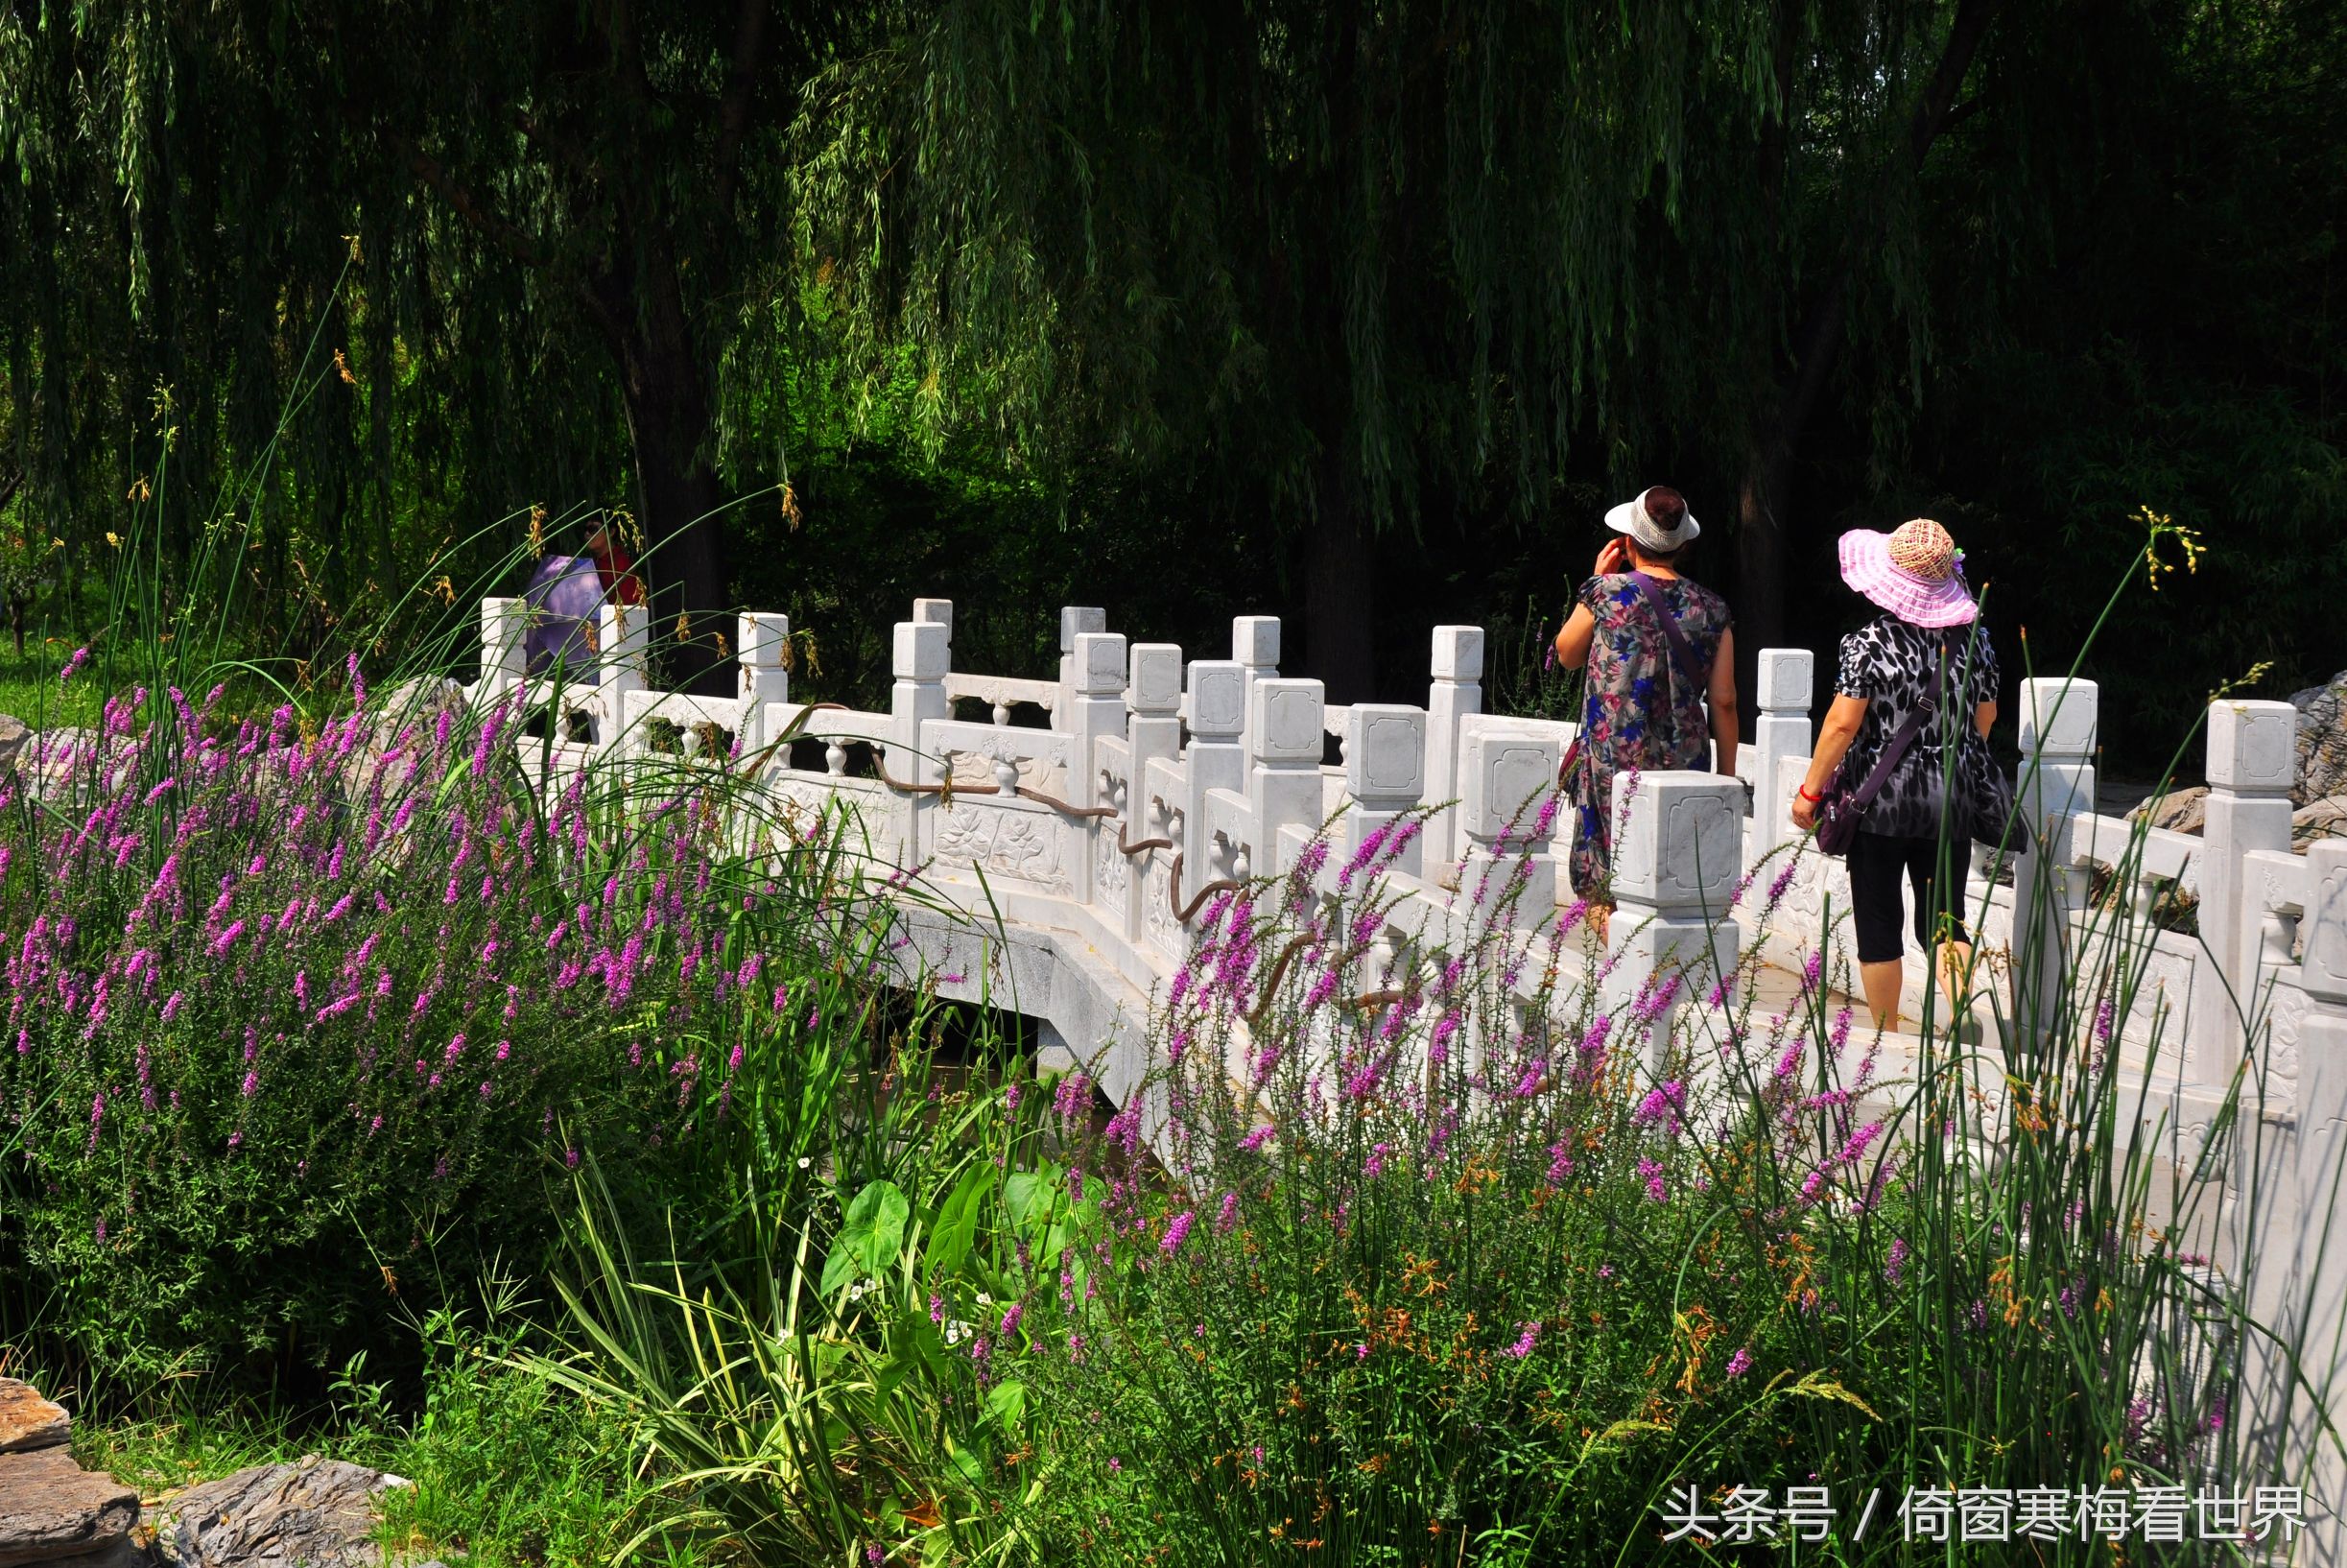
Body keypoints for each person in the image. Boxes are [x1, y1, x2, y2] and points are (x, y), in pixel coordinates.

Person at [1790, 517, 2003, 1030]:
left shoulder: (1867, 642)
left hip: (1879, 800)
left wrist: (1809, 793)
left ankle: (1885, 1036)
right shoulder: (1976, 641)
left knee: (1879, 920)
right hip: (1949, 797)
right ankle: (1961, 1018)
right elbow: (1986, 718)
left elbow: (1843, 723)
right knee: (1946, 919)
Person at [1553, 486, 1739, 936]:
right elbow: (1724, 699)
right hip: (1685, 757)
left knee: (1606, 879)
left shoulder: (1607, 592)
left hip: (1611, 755)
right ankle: (1662, 970)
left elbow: (1566, 653)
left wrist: (1596, 584)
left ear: (1629, 542)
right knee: (1671, 868)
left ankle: (1622, 964)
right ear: (1681, 545)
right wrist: (1727, 778)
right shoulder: (1713, 608)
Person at [582, 518, 644, 607]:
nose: (587, 534)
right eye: (586, 530)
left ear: (611, 531)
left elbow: (633, 607)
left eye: (593, 529)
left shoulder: (621, 564)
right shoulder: (589, 563)